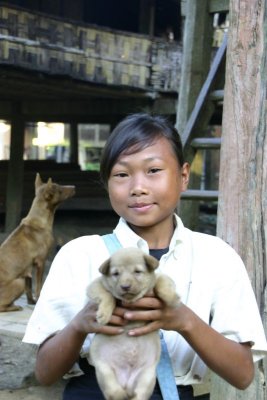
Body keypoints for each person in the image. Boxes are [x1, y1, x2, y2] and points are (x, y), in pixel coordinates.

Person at [23, 113, 267, 400]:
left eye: (153, 170)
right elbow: (45, 372)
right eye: (122, 174)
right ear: (107, 184)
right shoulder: (80, 254)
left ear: (184, 176)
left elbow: (242, 375)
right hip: (97, 390)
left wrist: (183, 320)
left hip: (177, 392)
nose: (138, 187)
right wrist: (79, 325)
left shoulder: (216, 257)